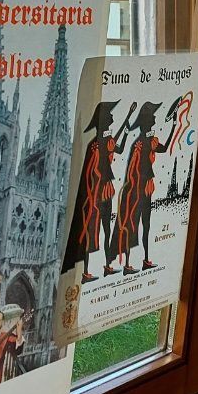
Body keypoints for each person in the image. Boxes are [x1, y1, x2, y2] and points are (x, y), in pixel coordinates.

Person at [65, 100, 124, 281]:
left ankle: (107, 266)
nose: (113, 116)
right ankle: (86, 272)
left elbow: (118, 147)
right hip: (95, 196)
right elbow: (91, 172)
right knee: (91, 234)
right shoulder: (95, 145)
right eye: (110, 114)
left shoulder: (106, 141)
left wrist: (126, 128)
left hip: (106, 192)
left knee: (107, 228)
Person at [113, 101, 162, 275]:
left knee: (146, 225)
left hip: (146, 191)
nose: (155, 117)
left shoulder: (150, 141)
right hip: (137, 192)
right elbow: (132, 171)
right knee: (132, 225)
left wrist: (173, 122)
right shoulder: (140, 144)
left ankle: (145, 260)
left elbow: (164, 147)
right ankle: (127, 264)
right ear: (147, 120)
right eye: (153, 115)